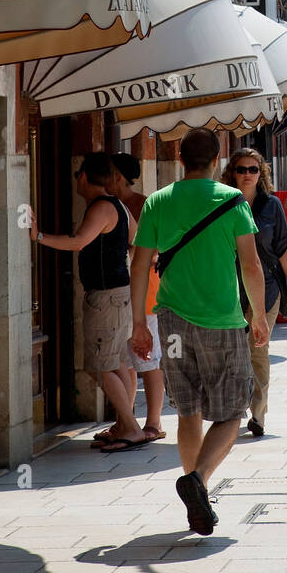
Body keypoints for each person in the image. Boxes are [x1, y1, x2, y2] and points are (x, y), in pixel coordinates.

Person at [129, 128, 268, 536]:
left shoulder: (158, 201)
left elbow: (139, 266)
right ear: (217, 160)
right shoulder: (232, 201)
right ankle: (199, 479)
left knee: (187, 410)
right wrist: (258, 315)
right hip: (223, 322)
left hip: (172, 322)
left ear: (180, 158)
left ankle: (198, 494)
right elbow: (252, 264)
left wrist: (139, 322)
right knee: (231, 413)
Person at [29, 153, 147, 452]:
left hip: (106, 298)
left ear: (83, 177)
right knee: (117, 363)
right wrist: (126, 267)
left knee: (100, 365)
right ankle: (125, 423)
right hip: (118, 294)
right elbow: (138, 236)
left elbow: (78, 241)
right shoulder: (118, 205)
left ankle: (131, 427)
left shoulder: (102, 207)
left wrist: (38, 236)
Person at [223, 147, 287, 436]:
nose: (246, 174)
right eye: (241, 169)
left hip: (266, 288)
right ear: (232, 172)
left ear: (261, 173)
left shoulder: (272, 206)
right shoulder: (223, 203)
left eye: (252, 169)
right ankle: (234, 408)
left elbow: (282, 249)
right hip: (228, 288)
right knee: (232, 352)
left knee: (258, 350)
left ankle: (258, 413)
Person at [99, 153, 167, 445]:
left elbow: (159, 249)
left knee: (147, 361)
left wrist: (132, 251)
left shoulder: (145, 204)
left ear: (119, 176)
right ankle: (126, 422)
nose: (106, 180)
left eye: (109, 174)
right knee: (124, 361)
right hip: (119, 293)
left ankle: (154, 422)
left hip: (146, 292)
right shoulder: (109, 205)